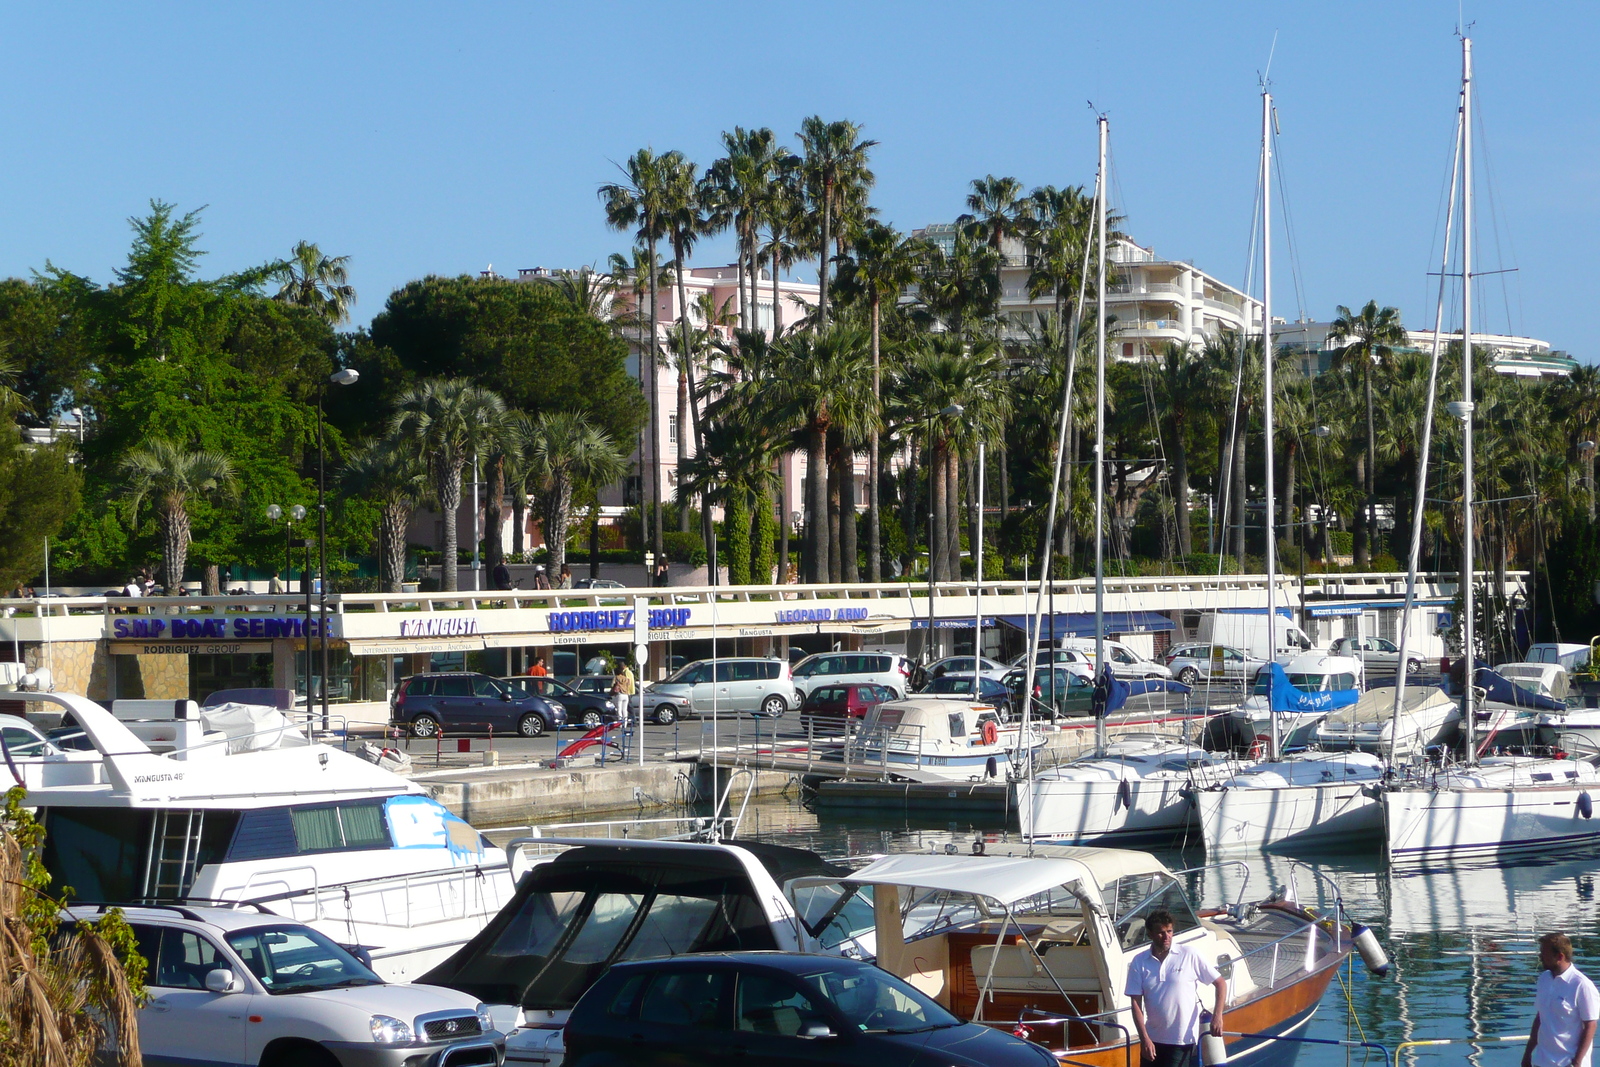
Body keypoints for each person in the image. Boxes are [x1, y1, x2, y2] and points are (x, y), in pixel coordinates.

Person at [1125, 909, 1226, 1067]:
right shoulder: (1139, 961)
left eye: (1170, 931)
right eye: (1161, 933)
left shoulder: (1189, 954)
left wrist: (1217, 1016)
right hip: (1151, 1039)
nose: (1167, 937)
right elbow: (1136, 1003)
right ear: (1150, 934)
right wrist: (1144, 1039)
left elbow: (1220, 983)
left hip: (1181, 1040)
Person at [1524, 932, 1598, 1067]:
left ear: (1559, 956)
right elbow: (1540, 1017)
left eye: (1543, 953)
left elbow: (1590, 1025)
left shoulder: (1581, 985)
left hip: (1568, 1062)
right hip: (1542, 1061)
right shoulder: (1544, 979)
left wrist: (1577, 1062)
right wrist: (1527, 1053)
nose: (1540, 957)